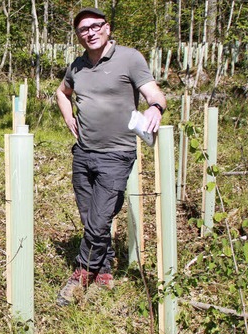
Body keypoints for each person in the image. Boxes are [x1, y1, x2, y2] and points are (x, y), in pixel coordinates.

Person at [55, 8, 166, 306]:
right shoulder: (77, 66)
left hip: (116, 155)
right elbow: (62, 92)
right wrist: (69, 119)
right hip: (83, 153)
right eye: (83, 30)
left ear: (107, 28)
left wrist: (155, 107)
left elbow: (153, 92)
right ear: (78, 36)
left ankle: (81, 274)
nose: (90, 32)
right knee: (91, 217)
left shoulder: (130, 58)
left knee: (99, 219)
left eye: (95, 26)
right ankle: (103, 269)